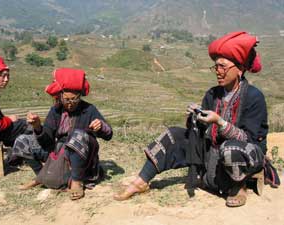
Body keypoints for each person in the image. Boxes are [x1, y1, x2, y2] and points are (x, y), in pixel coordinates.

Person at [114, 31, 268, 207]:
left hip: (245, 152)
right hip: (213, 150)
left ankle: (238, 185)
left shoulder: (254, 97)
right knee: (174, 135)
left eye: (222, 67)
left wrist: (220, 122)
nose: (217, 71)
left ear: (239, 69)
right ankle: (141, 181)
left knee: (230, 148)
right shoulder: (212, 94)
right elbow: (200, 133)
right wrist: (195, 117)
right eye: (215, 67)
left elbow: (249, 138)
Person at [12, 68, 113, 200]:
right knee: (22, 140)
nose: (70, 103)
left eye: (74, 99)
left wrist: (100, 126)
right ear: (60, 96)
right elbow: (46, 141)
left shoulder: (89, 109)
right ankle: (41, 175)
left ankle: (76, 181)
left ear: (80, 96)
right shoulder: (55, 111)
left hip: (81, 155)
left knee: (77, 135)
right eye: (66, 100)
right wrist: (37, 126)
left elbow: (109, 134)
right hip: (59, 152)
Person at [0, 55, 30, 148]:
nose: (6, 80)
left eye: (7, 76)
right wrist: (8, 120)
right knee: (25, 125)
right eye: (2, 76)